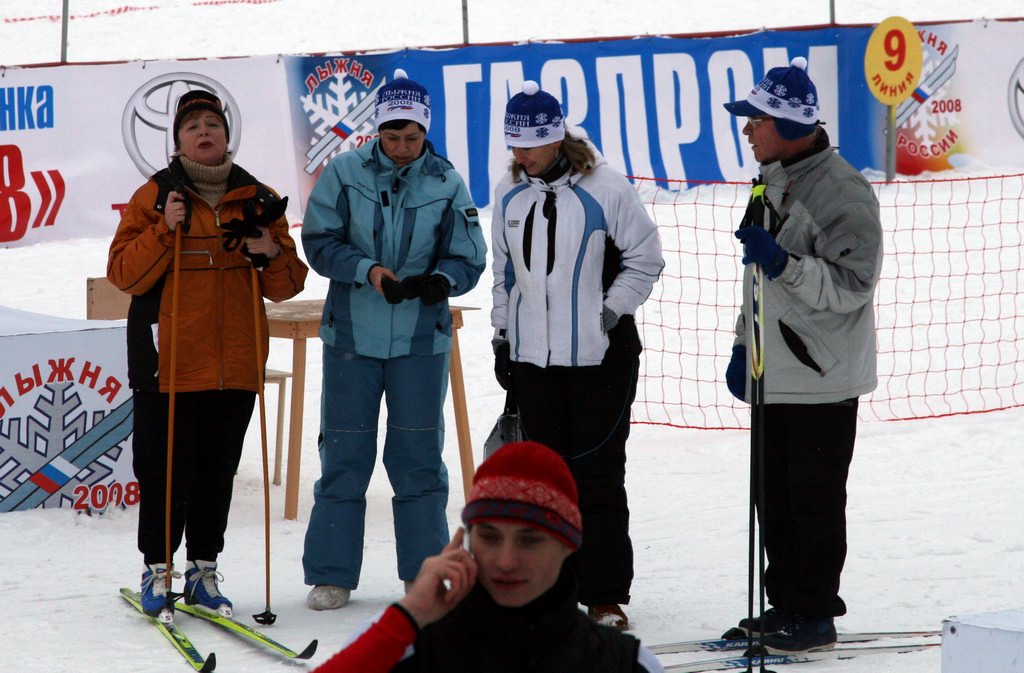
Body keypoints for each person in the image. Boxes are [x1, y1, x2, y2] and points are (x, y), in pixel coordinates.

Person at [107, 89, 308, 619]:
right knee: (162, 474)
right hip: (168, 365)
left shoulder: (259, 198)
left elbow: (287, 285)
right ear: (177, 140)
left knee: (216, 473)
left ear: (226, 135)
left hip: (235, 363)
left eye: (212, 124)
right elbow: (123, 274)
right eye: (193, 125)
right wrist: (163, 230)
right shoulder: (154, 197)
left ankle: (202, 570)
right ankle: (157, 570)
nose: (204, 132)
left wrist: (271, 251)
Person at [300, 69, 487, 610]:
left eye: (412, 137)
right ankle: (331, 573)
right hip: (351, 337)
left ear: (426, 131)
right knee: (344, 454)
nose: (402, 147)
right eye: (392, 136)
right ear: (376, 131)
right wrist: (368, 271)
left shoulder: (446, 181)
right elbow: (320, 241)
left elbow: (469, 255)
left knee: (418, 458)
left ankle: (424, 575)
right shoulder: (343, 172)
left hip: (420, 342)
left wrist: (442, 280)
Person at [721, 56, 883, 653]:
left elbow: (854, 284)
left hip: (821, 377)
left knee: (812, 505)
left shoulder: (841, 190)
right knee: (776, 503)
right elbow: (757, 283)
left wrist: (784, 263)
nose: (747, 130)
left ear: (788, 127)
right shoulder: (773, 179)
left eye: (756, 120)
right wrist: (744, 344)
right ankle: (786, 605)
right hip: (776, 372)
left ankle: (813, 614)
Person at [490, 81, 664, 630]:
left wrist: (609, 312)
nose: (519, 155)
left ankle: (605, 595)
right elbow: (504, 273)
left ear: (555, 139)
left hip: (600, 359)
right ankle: (552, 592)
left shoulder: (606, 188)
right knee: (544, 481)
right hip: (534, 363)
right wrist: (503, 337)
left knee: (597, 477)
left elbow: (646, 258)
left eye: (529, 146)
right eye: (513, 145)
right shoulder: (509, 191)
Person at [311, 441, 665, 673]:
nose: (505, 561)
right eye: (490, 537)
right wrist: (410, 615)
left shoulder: (623, 664)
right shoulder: (402, 645)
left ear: (568, 544)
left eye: (529, 540)